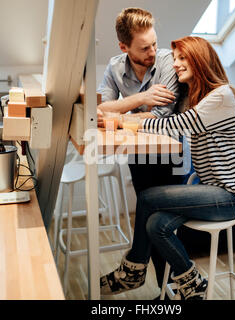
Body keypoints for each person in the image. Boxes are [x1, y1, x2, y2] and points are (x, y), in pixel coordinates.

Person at [99, 36, 235, 300]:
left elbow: (176, 124)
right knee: (156, 224)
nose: (175, 65)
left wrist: (125, 122)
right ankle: (192, 283)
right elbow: (166, 117)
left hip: (233, 197)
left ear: (200, 59)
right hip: (211, 190)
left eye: (183, 58)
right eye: (174, 59)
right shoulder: (196, 96)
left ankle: (133, 270)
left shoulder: (222, 96)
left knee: (148, 197)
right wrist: (129, 116)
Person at [97, 7, 185, 290]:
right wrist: (143, 98)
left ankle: (149, 279)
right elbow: (99, 109)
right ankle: (164, 291)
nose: (152, 52)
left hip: (173, 155)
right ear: (124, 47)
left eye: (154, 44)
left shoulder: (169, 63)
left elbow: (161, 119)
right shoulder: (114, 66)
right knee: (150, 218)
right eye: (144, 48)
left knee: (160, 223)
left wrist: (119, 116)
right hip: (139, 154)